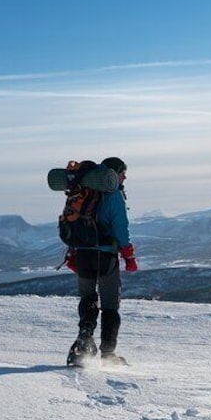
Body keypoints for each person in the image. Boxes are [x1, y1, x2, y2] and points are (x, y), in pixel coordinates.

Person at [67, 156, 138, 366]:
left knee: (87, 298)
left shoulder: (83, 191)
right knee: (109, 305)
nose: (125, 176)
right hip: (105, 255)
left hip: (82, 254)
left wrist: (72, 252)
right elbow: (120, 228)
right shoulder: (113, 195)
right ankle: (108, 354)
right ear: (115, 173)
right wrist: (129, 256)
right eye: (123, 172)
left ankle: (84, 340)